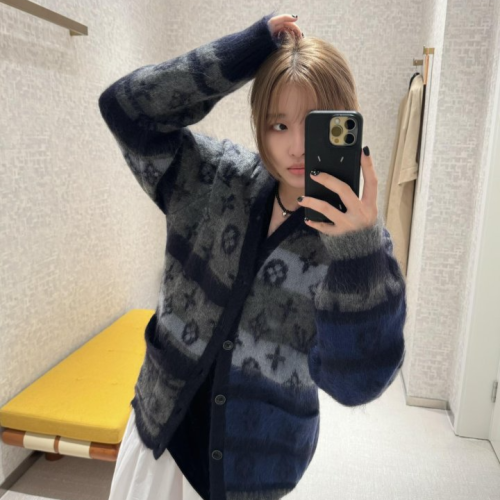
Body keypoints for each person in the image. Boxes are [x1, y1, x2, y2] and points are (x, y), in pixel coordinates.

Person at [99, 11, 407, 500]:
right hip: (160, 436)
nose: (297, 146)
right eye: (278, 124)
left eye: (315, 125)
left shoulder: (360, 245)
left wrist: (358, 253)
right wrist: (244, 53)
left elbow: (359, 384)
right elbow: (124, 108)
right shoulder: (213, 178)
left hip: (255, 471)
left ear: (344, 123)